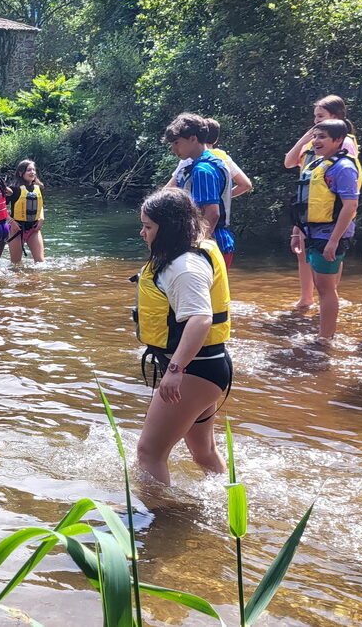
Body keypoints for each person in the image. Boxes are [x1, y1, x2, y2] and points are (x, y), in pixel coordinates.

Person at [133, 188, 231, 485]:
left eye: (148, 226)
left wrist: (175, 370)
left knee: (149, 452)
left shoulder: (184, 266)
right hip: (206, 367)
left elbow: (201, 319)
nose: (142, 233)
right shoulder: (187, 253)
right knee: (203, 451)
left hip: (194, 370)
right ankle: (228, 499)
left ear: (169, 228)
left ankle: (159, 522)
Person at [284, 95, 359, 309]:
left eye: (321, 116)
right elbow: (289, 162)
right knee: (303, 254)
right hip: (308, 205)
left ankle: (328, 300)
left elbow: (347, 183)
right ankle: (307, 298)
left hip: (331, 208)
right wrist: (305, 137)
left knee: (329, 258)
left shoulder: (344, 145)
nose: (315, 120)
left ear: (335, 117)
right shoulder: (314, 140)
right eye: (315, 116)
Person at [290, 119, 362, 340]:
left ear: (339, 140)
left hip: (329, 235)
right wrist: (297, 232)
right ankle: (324, 332)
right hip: (313, 233)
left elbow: (350, 206)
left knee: (326, 289)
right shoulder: (317, 165)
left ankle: (326, 337)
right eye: (315, 136)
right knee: (322, 287)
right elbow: (306, 204)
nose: (316, 141)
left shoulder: (344, 167)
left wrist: (333, 240)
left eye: (323, 137)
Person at [162, 113, 235, 267]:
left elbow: (212, 213)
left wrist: (195, 248)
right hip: (218, 243)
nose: (173, 149)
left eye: (176, 143)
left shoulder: (202, 170)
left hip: (210, 244)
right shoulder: (215, 162)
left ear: (193, 139)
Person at [165, 118, 252, 200]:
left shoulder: (189, 158)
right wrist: (220, 197)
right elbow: (245, 185)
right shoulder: (223, 158)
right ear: (216, 140)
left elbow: (169, 189)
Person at [6, 159, 45, 266]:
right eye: (28, 170)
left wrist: (41, 218)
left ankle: (37, 282)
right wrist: (11, 221)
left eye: (33, 170)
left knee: (41, 263)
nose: (32, 172)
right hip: (16, 230)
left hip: (34, 228)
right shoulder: (13, 189)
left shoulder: (39, 187)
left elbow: (40, 206)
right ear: (20, 172)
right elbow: (0, 207)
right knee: (16, 264)